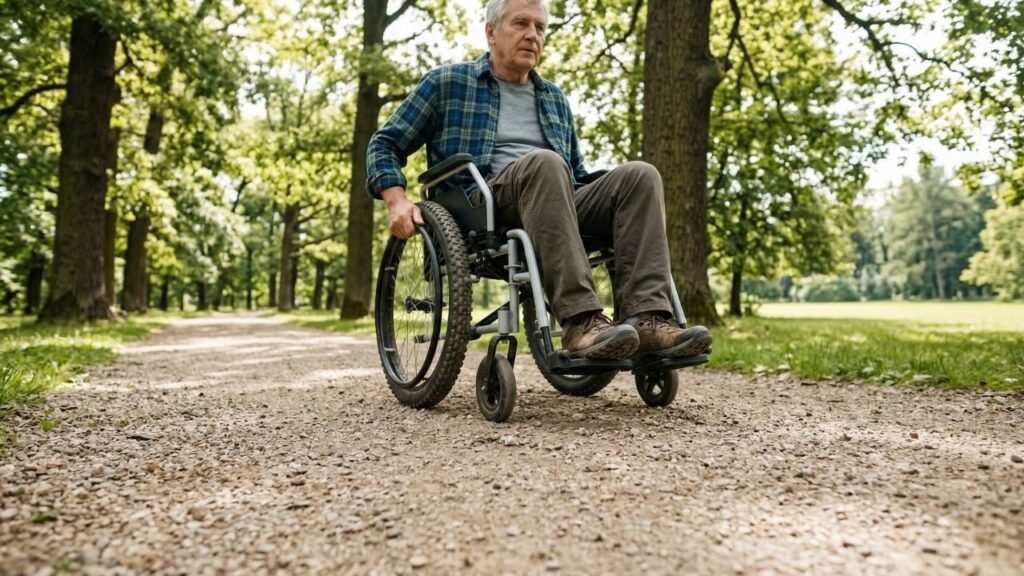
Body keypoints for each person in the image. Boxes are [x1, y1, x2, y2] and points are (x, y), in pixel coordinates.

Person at [366, 0, 711, 360]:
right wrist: (397, 201)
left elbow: (575, 173)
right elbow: (385, 143)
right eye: (520, 24)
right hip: (484, 205)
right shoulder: (448, 83)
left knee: (641, 175)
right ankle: (581, 321)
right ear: (491, 32)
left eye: (540, 27)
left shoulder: (554, 99)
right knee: (546, 163)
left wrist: (610, 192)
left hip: (554, 198)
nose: (533, 35)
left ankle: (647, 320)